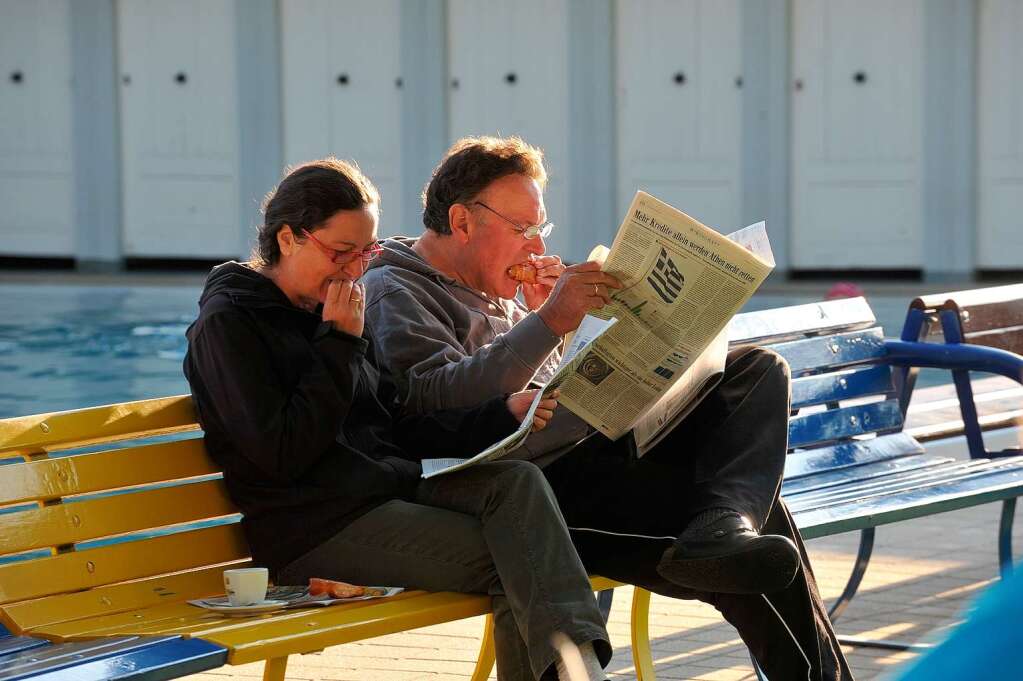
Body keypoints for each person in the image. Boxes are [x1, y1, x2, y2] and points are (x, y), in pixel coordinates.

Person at [362, 136, 856, 680]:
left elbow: (546, 390)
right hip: (527, 495)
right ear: (462, 221)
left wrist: (565, 334)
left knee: (756, 369)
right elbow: (432, 398)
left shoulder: (492, 285)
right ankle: (724, 531)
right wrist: (548, 322)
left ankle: (725, 522)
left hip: (584, 460)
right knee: (738, 539)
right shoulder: (394, 288)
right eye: (522, 228)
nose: (534, 246)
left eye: (540, 230)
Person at [182, 158, 612, 681]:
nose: (354, 269)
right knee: (527, 560)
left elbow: (396, 422)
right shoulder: (230, 324)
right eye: (341, 252)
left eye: (366, 253)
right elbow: (280, 456)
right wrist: (338, 344)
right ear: (289, 239)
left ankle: (579, 671)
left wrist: (499, 416)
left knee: (516, 484)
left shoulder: (337, 304)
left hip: (386, 493)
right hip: (313, 526)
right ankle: (582, 674)